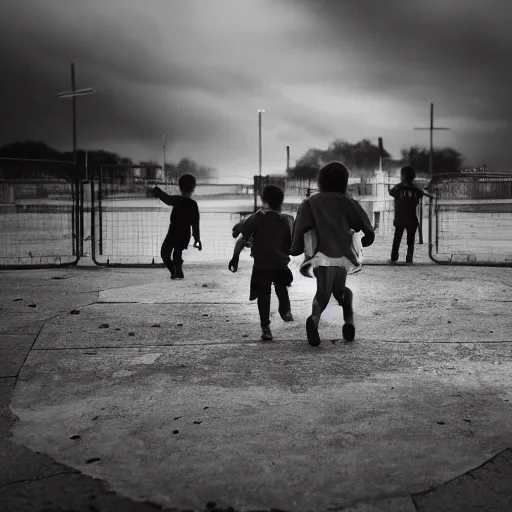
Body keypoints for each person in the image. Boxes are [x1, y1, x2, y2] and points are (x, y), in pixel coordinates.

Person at [290, 161, 375, 346]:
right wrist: (369, 234)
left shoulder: (310, 202)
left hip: (320, 254)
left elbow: (300, 228)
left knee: (322, 293)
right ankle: (349, 320)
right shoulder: (347, 201)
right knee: (340, 290)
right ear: (344, 183)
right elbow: (362, 221)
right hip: (343, 254)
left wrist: (294, 248)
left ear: (320, 182)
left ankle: (314, 319)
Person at [228, 184, 294, 342]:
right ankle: (285, 310)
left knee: (263, 295)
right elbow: (292, 244)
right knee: (281, 287)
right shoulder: (287, 220)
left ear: (263, 200)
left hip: (261, 265)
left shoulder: (256, 218)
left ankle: (266, 328)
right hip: (280, 263)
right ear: (281, 201)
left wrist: (235, 258)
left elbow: (242, 240)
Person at [152, 174, 201, 279]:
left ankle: (175, 272)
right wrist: (197, 239)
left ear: (180, 187)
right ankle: (177, 272)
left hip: (174, 233)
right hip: (183, 234)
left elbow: (166, 199)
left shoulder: (177, 200)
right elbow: (195, 223)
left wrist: (156, 190)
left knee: (165, 254)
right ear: (193, 189)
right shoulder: (193, 204)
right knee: (176, 254)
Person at [388, 165, 433, 264]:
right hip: (412, 219)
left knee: (397, 239)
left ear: (403, 176)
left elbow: (390, 192)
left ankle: (394, 257)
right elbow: (421, 195)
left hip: (400, 219)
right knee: (411, 241)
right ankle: (409, 257)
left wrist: (401, 185)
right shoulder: (416, 190)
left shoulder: (398, 188)